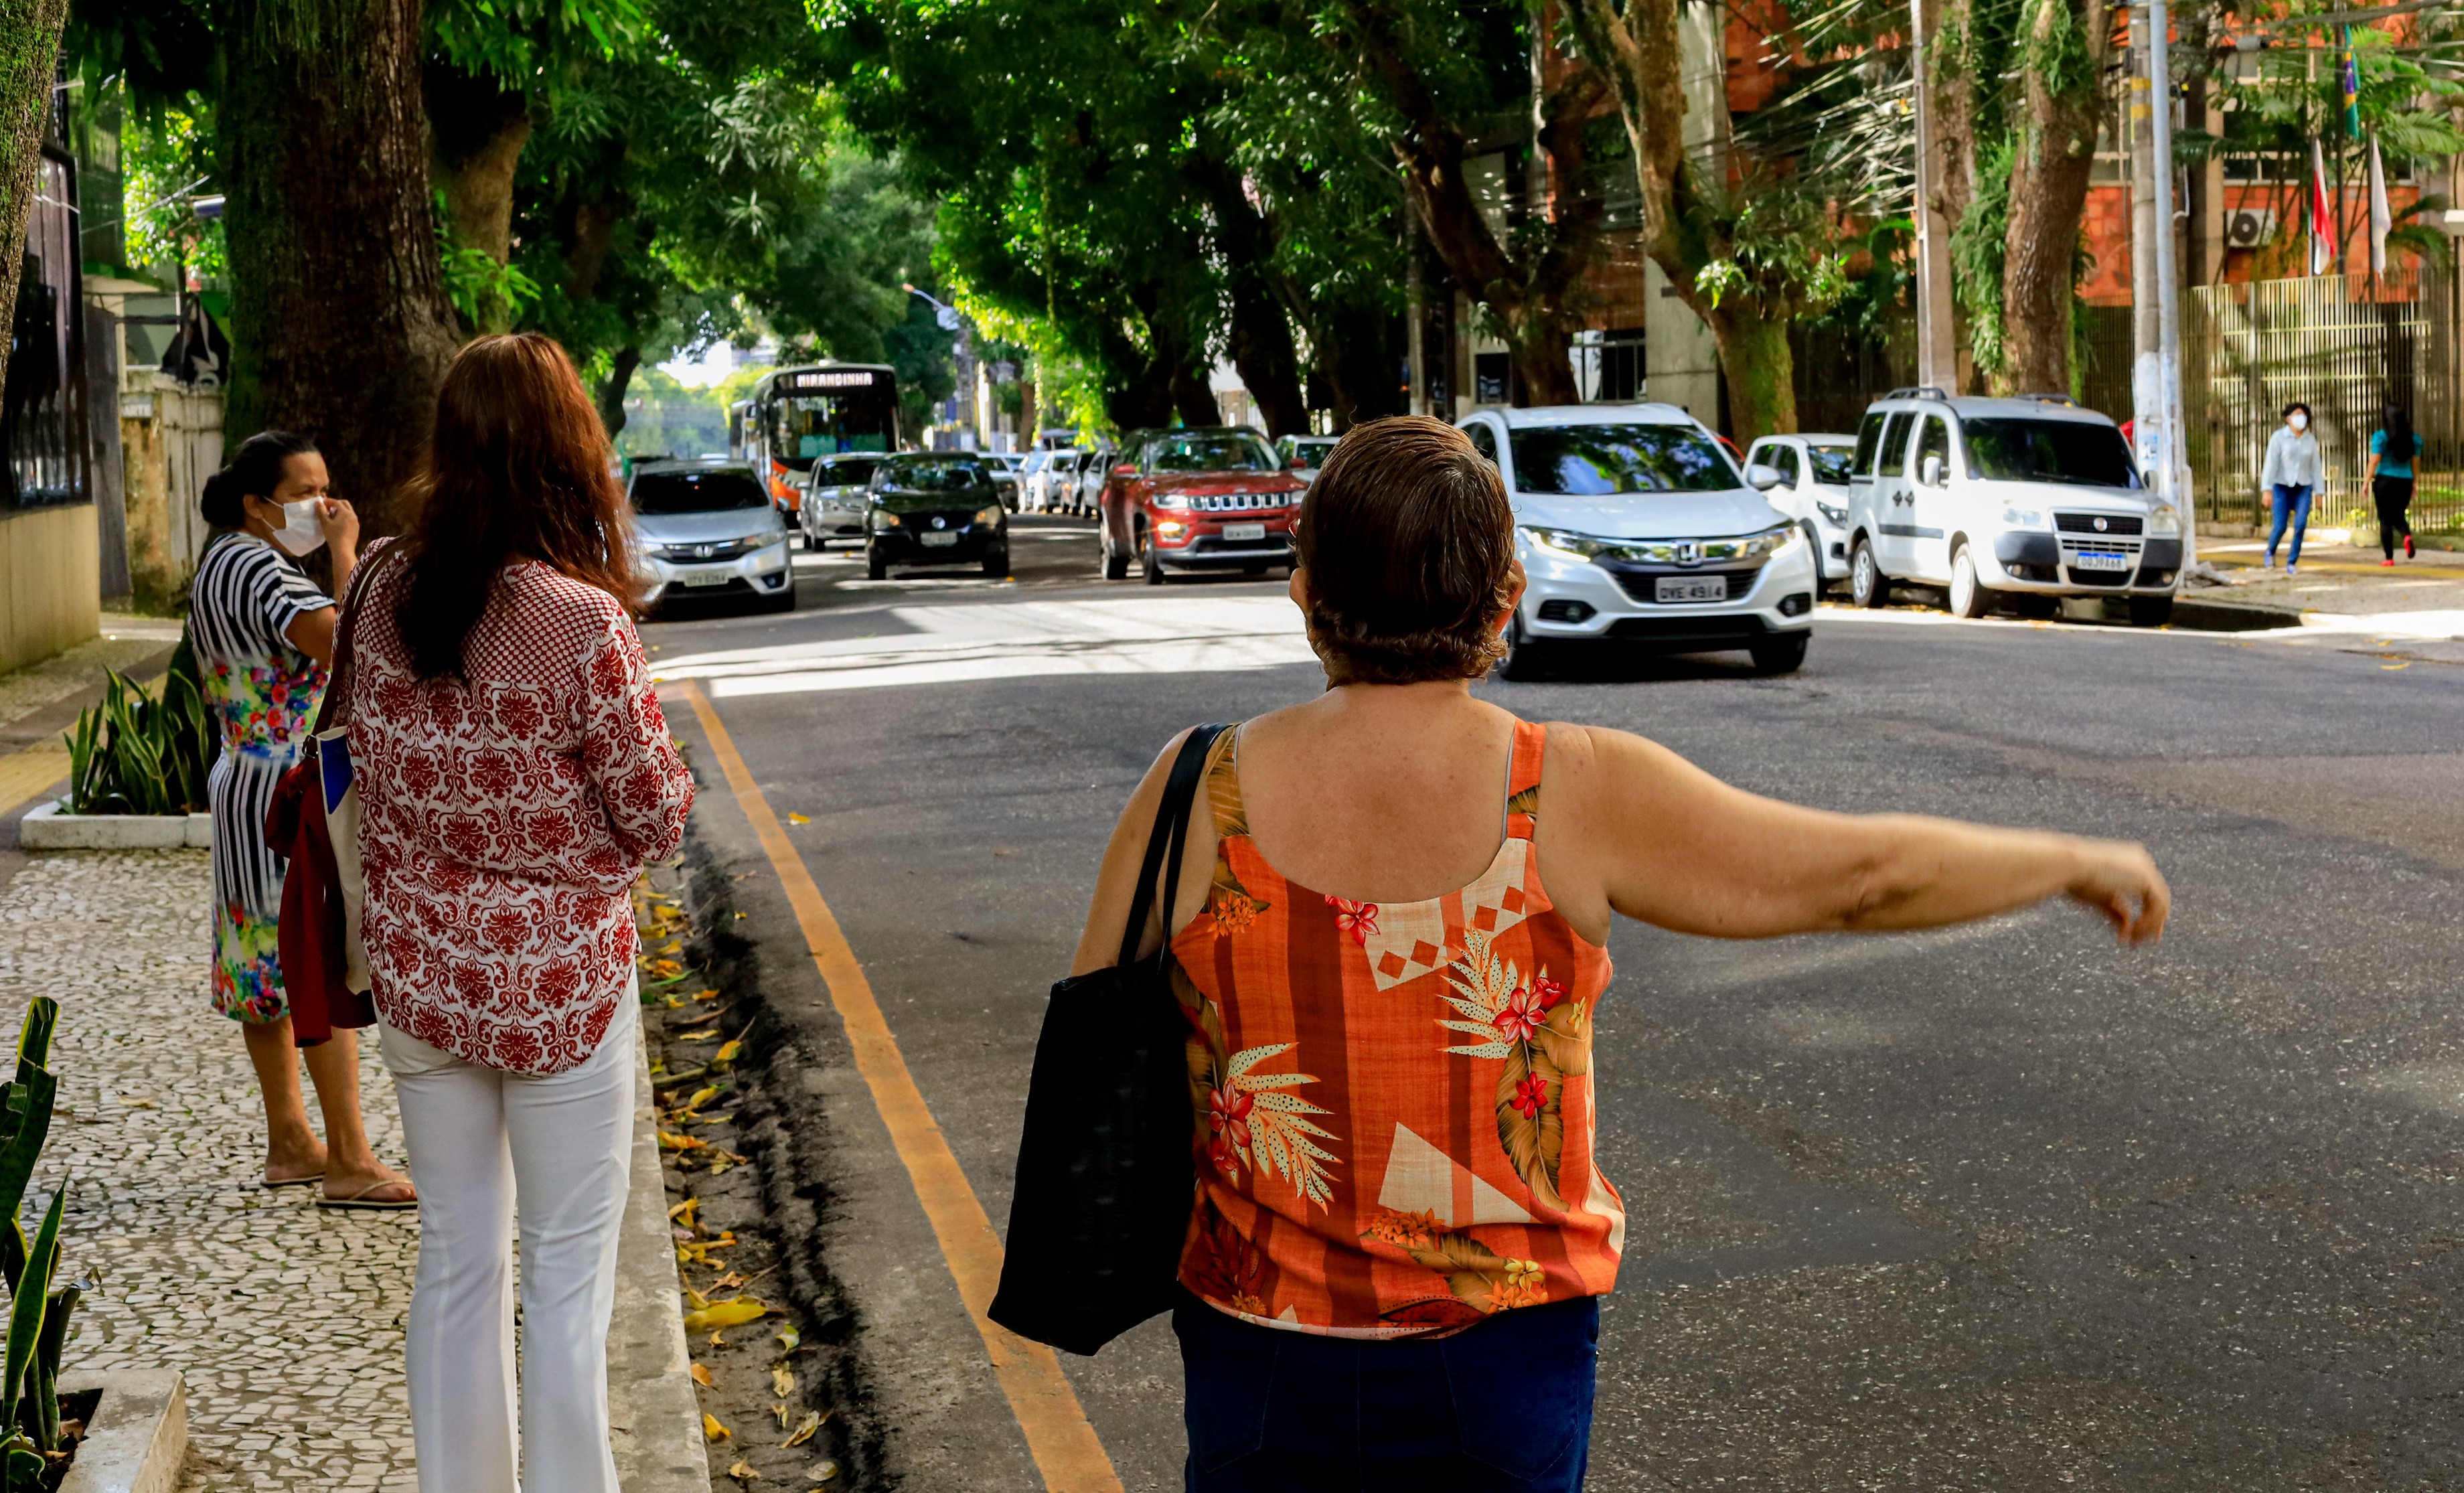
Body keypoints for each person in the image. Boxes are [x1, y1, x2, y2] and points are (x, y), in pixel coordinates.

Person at [1070, 417, 2171, 1491]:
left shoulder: (1196, 789)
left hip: (1261, 1357)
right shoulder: (1572, 788)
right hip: (1502, 1358)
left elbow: (1092, 1032)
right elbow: (1860, 876)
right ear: (1506, 596)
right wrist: (2067, 859)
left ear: (1305, 590)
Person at [350, 333, 694, 1493]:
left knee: (455, 1260)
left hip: (422, 977)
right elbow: (654, 818)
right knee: (562, 1283)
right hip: (563, 992)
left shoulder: (377, 586)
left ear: (448, 445)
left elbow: (367, 762)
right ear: (567, 451)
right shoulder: (582, 623)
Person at [187, 432, 416, 1210]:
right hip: (285, 784)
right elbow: (352, 645)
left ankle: (291, 1139)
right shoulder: (261, 567)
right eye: (306, 493)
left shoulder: (221, 560)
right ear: (258, 504)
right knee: (312, 955)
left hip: (243, 777)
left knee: (263, 956)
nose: (326, 505)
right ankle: (348, 1156)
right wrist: (349, 549)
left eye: (328, 489)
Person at [2260, 402, 2322, 574]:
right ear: (2288, 419)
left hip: (2304, 487)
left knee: (2300, 524)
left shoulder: (2310, 440)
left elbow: (2316, 467)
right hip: (2282, 486)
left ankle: (2292, 561)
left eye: (2303, 415)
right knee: (2280, 526)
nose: (2301, 418)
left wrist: (2320, 492)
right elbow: (2271, 464)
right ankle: (2271, 551)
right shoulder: (2279, 437)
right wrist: (2267, 489)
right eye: (2297, 415)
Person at [2368, 402, 2417, 566]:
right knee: (2399, 514)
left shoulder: (2381, 436)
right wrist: (2415, 483)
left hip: (2385, 480)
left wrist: (2366, 481)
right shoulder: (2414, 438)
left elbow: (2375, 460)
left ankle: (2389, 558)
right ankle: (2407, 536)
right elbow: (2416, 463)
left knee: (2385, 519)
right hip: (2405, 480)